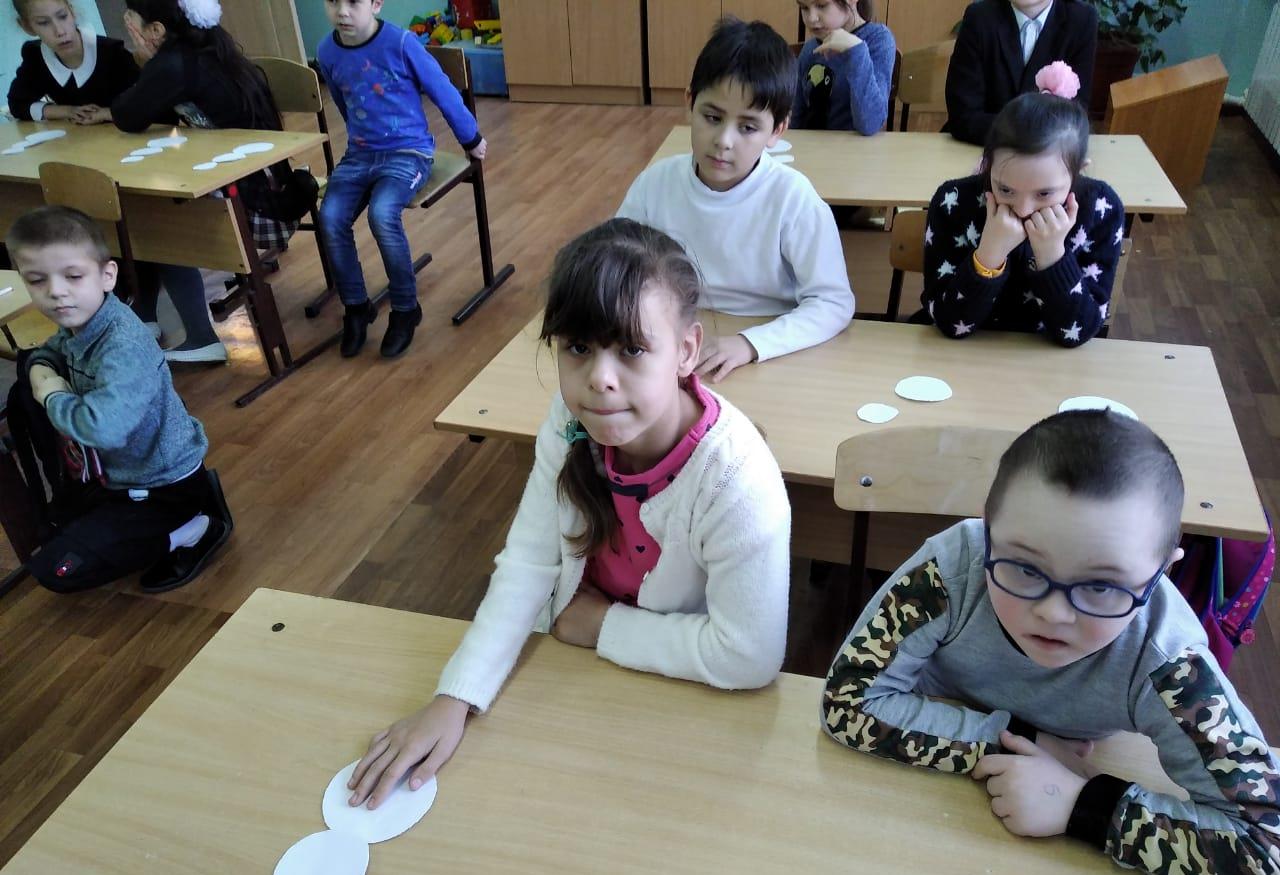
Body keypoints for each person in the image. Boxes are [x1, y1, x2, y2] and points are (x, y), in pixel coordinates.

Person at [345, 218, 791, 810]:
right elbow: (529, 561)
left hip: (669, 678)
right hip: (567, 654)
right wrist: (454, 698)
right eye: (578, 347)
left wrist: (600, 627)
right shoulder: (568, 418)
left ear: (687, 350)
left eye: (632, 349)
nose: (599, 380)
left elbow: (749, 657)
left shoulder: (736, 478)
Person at [821, 409, 1280, 875]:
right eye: (1024, 567)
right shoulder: (950, 569)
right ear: (987, 528)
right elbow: (847, 703)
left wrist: (1085, 807)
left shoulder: (1169, 662)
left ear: (1163, 570)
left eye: (1101, 586)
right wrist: (1016, 741)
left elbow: (1267, 844)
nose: (1053, 613)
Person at [9, 205, 232, 594]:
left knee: (57, 570)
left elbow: (104, 430)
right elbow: (52, 349)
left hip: (163, 487)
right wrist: (41, 367)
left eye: (73, 276)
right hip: (116, 477)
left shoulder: (123, 345)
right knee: (57, 525)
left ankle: (196, 529)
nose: (56, 291)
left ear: (107, 276)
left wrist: (52, 393)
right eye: (38, 280)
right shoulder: (84, 320)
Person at [617, 17, 853, 383]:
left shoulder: (793, 199)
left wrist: (750, 343)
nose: (724, 141)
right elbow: (615, 267)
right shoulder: (655, 185)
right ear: (690, 103)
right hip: (673, 346)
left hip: (767, 353)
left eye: (747, 127)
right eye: (712, 117)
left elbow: (834, 302)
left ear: (777, 130)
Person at [317, 0, 488, 359]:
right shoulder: (327, 51)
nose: (342, 11)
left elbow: (442, 90)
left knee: (382, 214)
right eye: (333, 1)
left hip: (408, 152)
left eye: (353, 2)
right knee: (330, 217)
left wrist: (470, 137)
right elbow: (342, 102)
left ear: (376, 4)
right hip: (360, 154)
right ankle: (356, 307)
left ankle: (406, 308)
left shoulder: (401, 44)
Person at [921, 77, 1122, 347]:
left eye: (1044, 194)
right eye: (1005, 189)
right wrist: (988, 255)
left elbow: (1079, 331)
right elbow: (949, 323)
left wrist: (1052, 255)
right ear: (987, 163)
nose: (1023, 209)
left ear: (1078, 171)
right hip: (962, 355)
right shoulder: (954, 201)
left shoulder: (1101, 209)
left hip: (1048, 363)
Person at [945, 0, 1097, 145]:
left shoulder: (1081, 20)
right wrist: (1031, 132)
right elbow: (963, 116)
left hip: (1047, 154)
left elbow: (1074, 118)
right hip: (979, 146)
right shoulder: (980, 17)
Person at [6, 0, 139, 123]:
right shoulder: (35, 57)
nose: (60, 31)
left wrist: (106, 113)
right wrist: (67, 111)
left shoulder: (113, 52)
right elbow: (18, 104)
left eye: (63, 16)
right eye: (43, 23)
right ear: (27, 26)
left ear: (72, 12)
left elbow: (146, 100)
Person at [792, 0, 896, 135]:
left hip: (853, 147)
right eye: (804, 7)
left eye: (822, 5)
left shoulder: (878, 39)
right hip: (811, 145)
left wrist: (856, 51)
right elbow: (795, 118)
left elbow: (871, 124)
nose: (811, 18)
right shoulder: (809, 49)